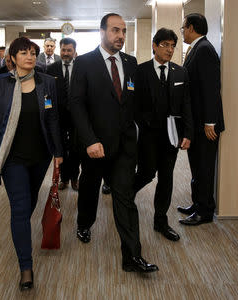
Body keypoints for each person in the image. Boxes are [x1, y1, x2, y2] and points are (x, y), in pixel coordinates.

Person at [69, 13, 158, 273]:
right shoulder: (84, 63)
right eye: (115, 30)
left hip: (124, 147)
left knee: (125, 199)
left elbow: (135, 104)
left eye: (123, 31)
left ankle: (132, 256)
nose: (120, 35)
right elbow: (76, 105)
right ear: (102, 32)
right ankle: (84, 224)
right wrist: (89, 140)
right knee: (89, 190)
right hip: (95, 146)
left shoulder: (130, 63)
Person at [0, 37, 63, 291]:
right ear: (13, 57)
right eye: (24, 52)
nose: (30, 56)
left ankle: (20, 234)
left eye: (33, 52)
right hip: (12, 158)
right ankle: (26, 266)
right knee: (19, 208)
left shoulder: (47, 82)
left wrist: (58, 152)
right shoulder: (1, 83)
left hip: (40, 156)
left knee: (30, 202)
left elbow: (53, 120)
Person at [133, 28, 193, 241]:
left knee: (166, 178)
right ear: (154, 46)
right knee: (147, 173)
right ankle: (125, 195)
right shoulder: (140, 71)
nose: (170, 50)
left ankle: (161, 220)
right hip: (148, 136)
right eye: (165, 45)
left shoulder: (180, 72)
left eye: (172, 46)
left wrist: (188, 133)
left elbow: (186, 104)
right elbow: (134, 105)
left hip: (172, 136)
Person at [178, 13, 225, 226]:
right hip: (196, 123)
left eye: (183, 28)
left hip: (206, 125)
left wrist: (210, 122)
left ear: (192, 27)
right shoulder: (196, 48)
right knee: (197, 166)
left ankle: (205, 211)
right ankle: (197, 203)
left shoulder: (205, 50)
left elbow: (212, 88)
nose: (182, 32)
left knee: (204, 168)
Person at [46, 38, 80, 191]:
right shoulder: (51, 68)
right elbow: (47, 94)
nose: (66, 53)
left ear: (74, 51)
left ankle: (75, 177)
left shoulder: (81, 67)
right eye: (63, 50)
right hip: (58, 117)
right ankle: (64, 178)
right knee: (61, 149)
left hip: (77, 117)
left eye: (69, 50)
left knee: (75, 149)